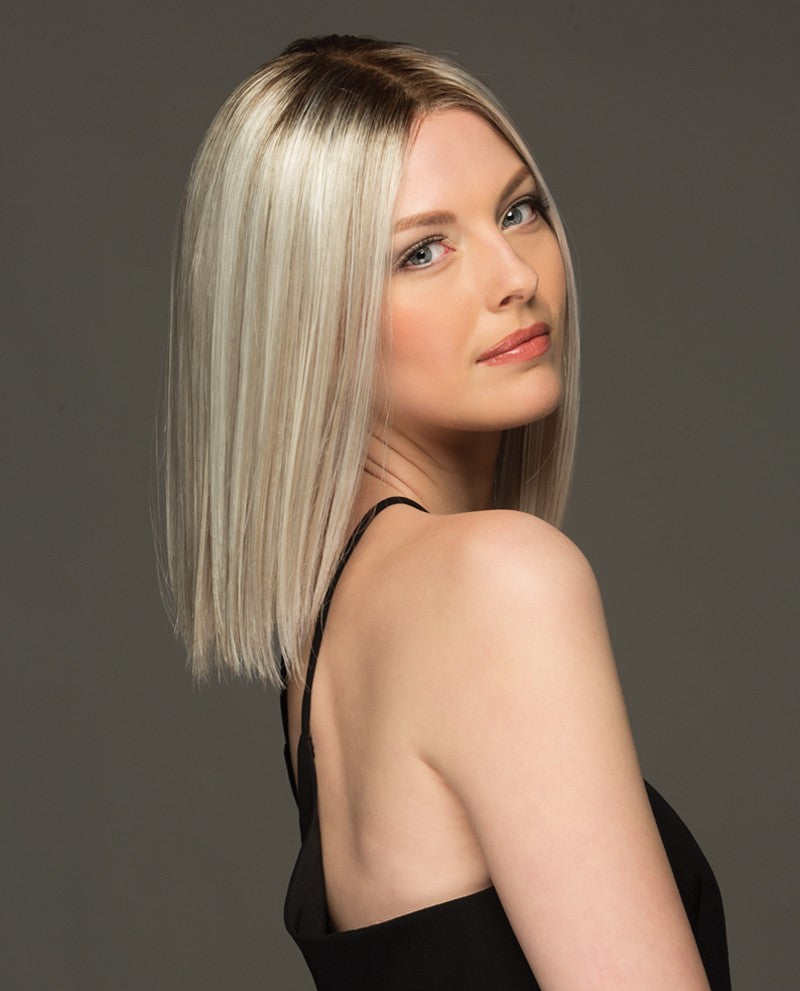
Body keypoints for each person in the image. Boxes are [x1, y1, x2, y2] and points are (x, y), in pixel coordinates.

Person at [159, 34, 731, 989]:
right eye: (422, 251)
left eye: (518, 210)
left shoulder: (325, 639)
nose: (516, 276)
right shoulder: (496, 581)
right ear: (310, 314)